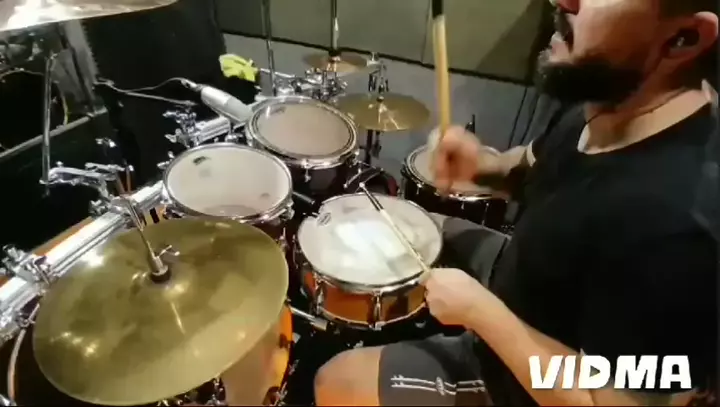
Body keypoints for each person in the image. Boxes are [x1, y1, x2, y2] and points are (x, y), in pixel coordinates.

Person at [313, 0, 719, 405]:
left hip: (525, 385)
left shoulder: (678, 230)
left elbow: (609, 401)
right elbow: (531, 166)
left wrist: (480, 313)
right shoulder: (610, 95)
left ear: (683, 39)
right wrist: (481, 167)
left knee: (337, 381)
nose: (561, 0)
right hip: (528, 277)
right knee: (402, 221)